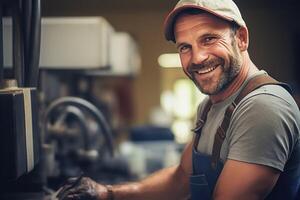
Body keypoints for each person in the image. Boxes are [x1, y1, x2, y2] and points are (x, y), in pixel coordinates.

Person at [57, 0, 300, 199]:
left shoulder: (263, 107)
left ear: (242, 38)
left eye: (209, 39)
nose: (197, 57)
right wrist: (106, 193)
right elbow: (181, 177)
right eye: (185, 47)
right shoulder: (210, 105)